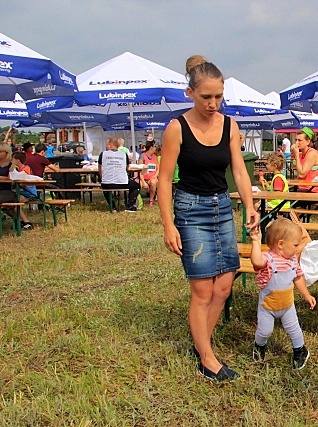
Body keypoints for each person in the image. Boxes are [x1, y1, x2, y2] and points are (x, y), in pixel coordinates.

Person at [158, 55, 259, 383]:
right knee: (202, 290)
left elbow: (239, 171)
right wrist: (168, 224)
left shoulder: (230, 126)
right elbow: (163, 179)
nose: (213, 103)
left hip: (221, 208)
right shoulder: (177, 128)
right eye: (206, 97)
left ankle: (202, 343)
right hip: (190, 210)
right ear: (190, 93)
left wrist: (250, 206)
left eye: (218, 96)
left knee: (224, 286)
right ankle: (206, 357)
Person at [249, 218, 316, 368]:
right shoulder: (268, 259)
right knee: (264, 331)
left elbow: (298, 277)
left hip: (287, 306)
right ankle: (259, 345)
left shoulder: (292, 260)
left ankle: (300, 350)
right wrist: (255, 241)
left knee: (295, 330)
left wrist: (306, 295)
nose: (298, 249)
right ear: (280, 244)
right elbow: (256, 262)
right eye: (295, 245)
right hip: (268, 306)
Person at [98, 137, 140, 212]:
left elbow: (100, 169)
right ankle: (130, 206)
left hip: (107, 183)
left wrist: (102, 177)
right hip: (122, 182)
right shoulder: (124, 154)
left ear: (110, 145)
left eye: (107, 145)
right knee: (136, 186)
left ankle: (113, 207)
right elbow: (127, 168)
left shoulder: (103, 154)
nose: (106, 146)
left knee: (105, 186)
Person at [291, 127, 318, 192]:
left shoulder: (312, 153)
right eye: (295, 140)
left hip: (312, 191)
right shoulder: (301, 154)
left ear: (308, 141)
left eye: (299, 140)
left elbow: (301, 174)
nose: (296, 143)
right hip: (302, 188)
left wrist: (296, 155)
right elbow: (298, 175)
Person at [138, 140, 159, 206]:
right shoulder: (142, 156)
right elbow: (139, 170)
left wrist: (155, 176)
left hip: (152, 178)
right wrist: (143, 181)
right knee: (138, 185)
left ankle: (151, 200)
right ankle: (138, 201)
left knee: (153, 182)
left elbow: (158, 168)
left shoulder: (155, 157)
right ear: (151, 147)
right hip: (143, 178)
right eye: (155, 146)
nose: (156, 148)